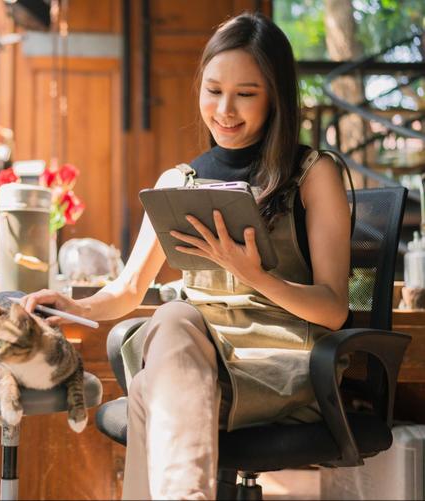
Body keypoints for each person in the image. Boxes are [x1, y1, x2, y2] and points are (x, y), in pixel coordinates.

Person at [19, 11, 352, 500]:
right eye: (213, 90)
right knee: (174, 317)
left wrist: (253, 274)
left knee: (149, 391)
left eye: (246, 93)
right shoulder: (178, 183)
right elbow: (129, 290)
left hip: (278, 364)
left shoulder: (312, 173)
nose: (225, 109)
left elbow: (334, 307)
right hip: (196, 367)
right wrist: (75, 309)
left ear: (276, 96)